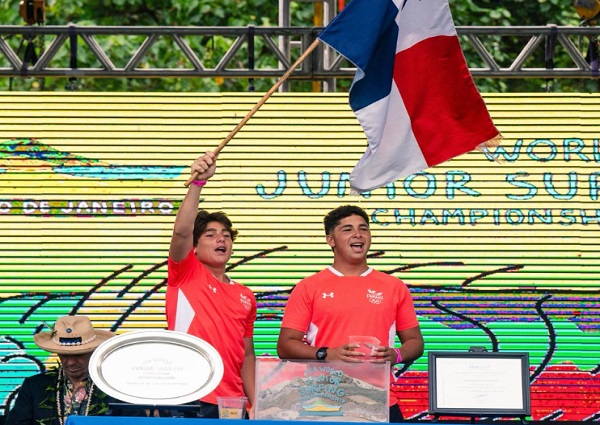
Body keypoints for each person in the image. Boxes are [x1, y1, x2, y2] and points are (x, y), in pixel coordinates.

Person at [277, 204, 424, 422]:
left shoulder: (394, 286)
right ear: (331, 240)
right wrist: (327, 354)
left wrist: (396, 355)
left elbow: (415, 342)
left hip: (380, 399)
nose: (358, 234)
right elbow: (285, 346)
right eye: (347, 229)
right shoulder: (309, 287)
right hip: (324, 400)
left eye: (363, 229)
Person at [166, 151, 257, 418]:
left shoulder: (245, 294)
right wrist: (197, 184)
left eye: (226, 235)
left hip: (233, 402)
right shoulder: (186, 272)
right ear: (194, 245)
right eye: (210, 234)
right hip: (190, 395)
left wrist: (255, 403)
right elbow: (182, 231)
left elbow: (248, 356)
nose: (221, 240)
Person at [5, 315, 123, 425]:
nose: (70, 362)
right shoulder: (34, 386)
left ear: (92, 352)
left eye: (78, 355)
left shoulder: (114, 387)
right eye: (64, 355)